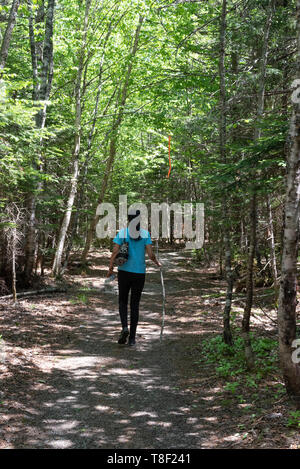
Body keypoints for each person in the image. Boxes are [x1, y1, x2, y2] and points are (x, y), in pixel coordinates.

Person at [107, 209, 161, 346]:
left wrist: (110, 268)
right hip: (139, 274)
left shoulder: (123, 233)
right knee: (135, 305)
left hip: (124, 272)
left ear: (129, 218)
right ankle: (132, 339)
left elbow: (114, 251)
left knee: (123, 301)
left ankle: (124, 327)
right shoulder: (145, 234)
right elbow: (150, 254)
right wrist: (157, 263)